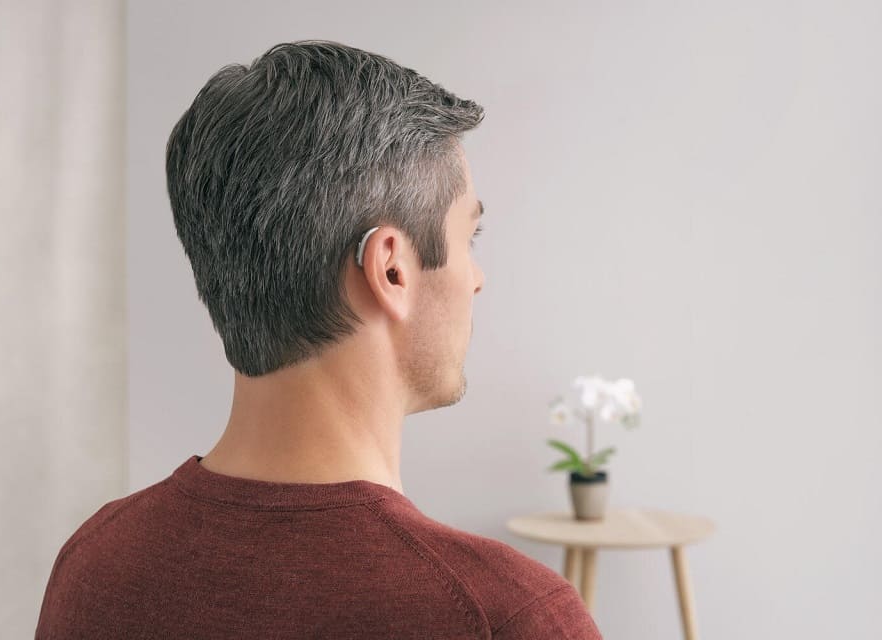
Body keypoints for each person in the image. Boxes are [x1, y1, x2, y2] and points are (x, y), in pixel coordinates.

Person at [35, 39, 603, 639]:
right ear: (391, 269)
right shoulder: (506, 615)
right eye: (471, 236)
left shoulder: (95, 566)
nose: (477, 279)